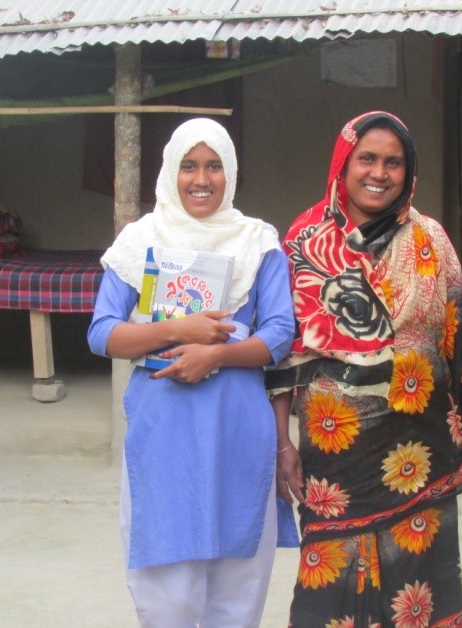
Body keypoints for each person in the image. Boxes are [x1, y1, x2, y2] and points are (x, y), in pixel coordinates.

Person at [267, 111, 462, 627]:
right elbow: (281, 353)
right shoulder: (304, 241)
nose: (379, 172)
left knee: (417, 592)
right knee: (329, 591)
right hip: (336, 456)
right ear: (343, 164)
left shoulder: (431, 240)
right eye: (366, 159)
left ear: (408, 171)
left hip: (422, 452)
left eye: (393, 162)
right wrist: (281, 443)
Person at [87, 118, 297, 627]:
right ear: (169, 172)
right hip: (165, 431)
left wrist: (217, 355)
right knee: (168, 587)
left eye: (213, 167)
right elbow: (102, 333)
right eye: (188, 166)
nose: (200, 180)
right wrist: (177, 329)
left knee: (238, 581)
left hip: (237, 427)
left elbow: (279, 333)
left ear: (230, 175)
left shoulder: (256, 242)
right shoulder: (139, 242)